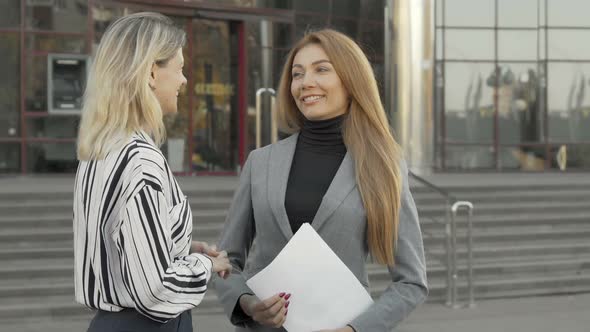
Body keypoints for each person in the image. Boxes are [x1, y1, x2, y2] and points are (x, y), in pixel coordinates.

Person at [214, 29, 428, 332]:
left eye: (322, 69)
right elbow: (226, 261)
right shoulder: (260, 162)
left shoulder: (384, 167)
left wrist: (355, 330)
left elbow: (411, 281)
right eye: (297, 74)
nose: (305, 83)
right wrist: (248, 305)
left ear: (351, 81)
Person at [73, 12, 232, 332]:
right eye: (180, 69)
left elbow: (121, 247)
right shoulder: (140, 161)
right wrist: (207, 264)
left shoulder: (101, 150)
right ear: (150, 72)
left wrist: (177, 247)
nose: (185, 81)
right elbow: (155, 290)